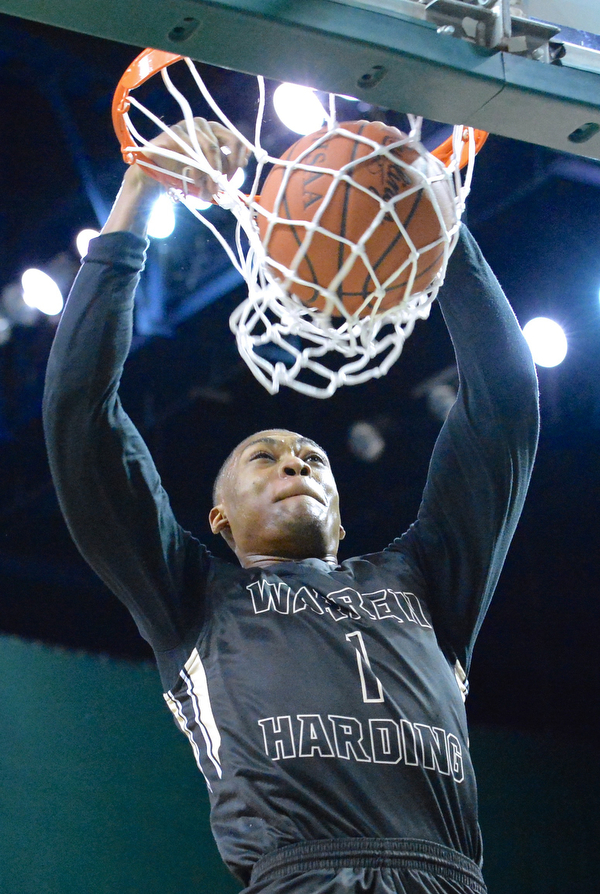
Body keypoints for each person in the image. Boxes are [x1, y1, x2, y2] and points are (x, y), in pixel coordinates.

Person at [43, 119, 539, 894]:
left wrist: (439, 226)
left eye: (311, 459)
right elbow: (80, 413)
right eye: (264, 457)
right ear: (220, 522)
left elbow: (505, 401)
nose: (294, 463)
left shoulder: (423, 580)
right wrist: (140, 190)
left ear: (341, 520)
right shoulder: (194, 598)